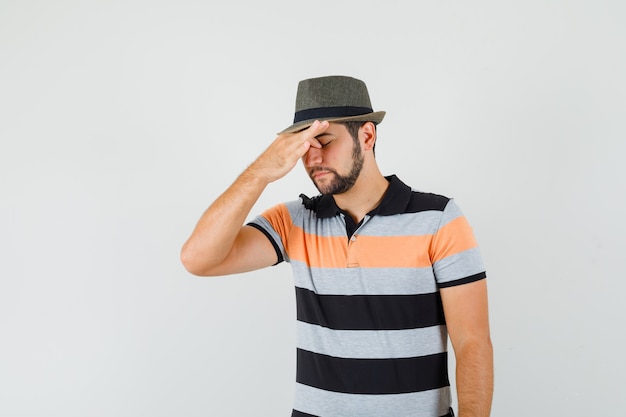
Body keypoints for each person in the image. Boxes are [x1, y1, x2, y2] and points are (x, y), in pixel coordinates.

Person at [181, 75, 493, 417]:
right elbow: (199, 259)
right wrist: (260, 173)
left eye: (324, 141)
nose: (312, 158)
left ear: (367, 135)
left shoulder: (438, 218)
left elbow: (472, 344)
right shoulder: (296, 220)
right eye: (302, 146)